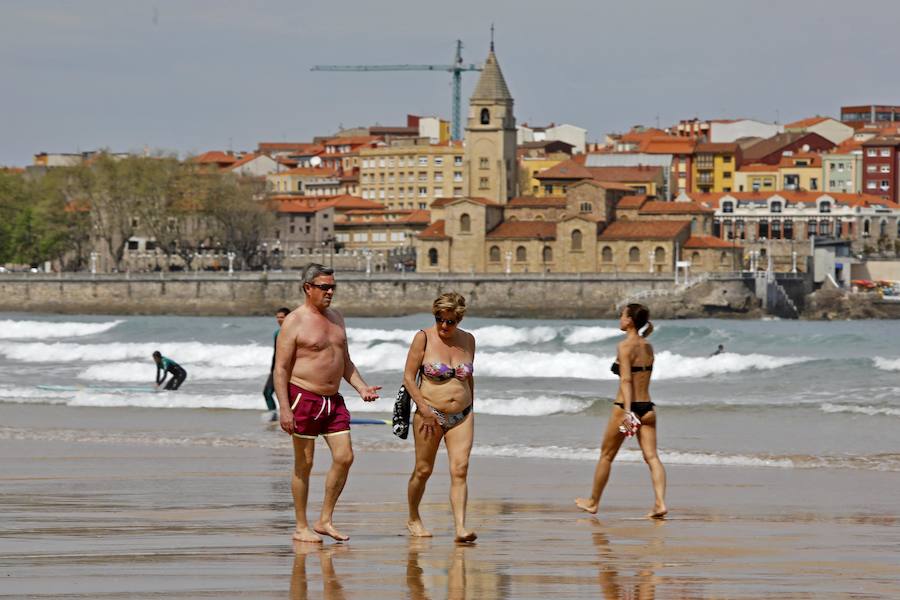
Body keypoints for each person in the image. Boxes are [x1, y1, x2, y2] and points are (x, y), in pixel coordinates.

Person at [273, 263, 381, 543]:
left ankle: (324, 520)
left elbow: (345, 362)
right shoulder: (294, 322)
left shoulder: (336, 317)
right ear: (308, 288)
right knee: (304, 463)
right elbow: (281, 369)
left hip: (333, 400)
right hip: (303, 397)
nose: (330, 292)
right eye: (324, 287)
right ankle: (301, 526)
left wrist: (361, 387)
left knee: (345, 457)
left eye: (333, 286)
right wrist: (284, 408)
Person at [576, 303, 667, 519]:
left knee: (606, 455)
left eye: (622, 315)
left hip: (627, 410)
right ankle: (660, 503)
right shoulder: (648, 347)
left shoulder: (624, 347)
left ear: (630, 321)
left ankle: (593, 502)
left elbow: (626, 379)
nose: (620, 318)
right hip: (648, 409)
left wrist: (627, 412)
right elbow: (638, 375)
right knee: (652, 457)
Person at [403, 292, 477, 543]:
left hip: (463, 416)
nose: (444, 326)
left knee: (460, 469)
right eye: (439, 319)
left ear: (459, 319)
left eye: (450, 321)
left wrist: (471, 405)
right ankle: (413, 517)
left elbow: (468, 378)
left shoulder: (468, 340)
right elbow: (408, 378)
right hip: (429, 414)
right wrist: (423, 409)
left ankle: (460, 528)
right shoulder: (423, 338)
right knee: (423, 470)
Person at [262, 307, 291, 421]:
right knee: (267, 392)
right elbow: (276, 353)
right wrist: (272, 369)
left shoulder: (294, 333)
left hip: (290, 370)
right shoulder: (277, 333)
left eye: (282, 317)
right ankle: (273, 415)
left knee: (289, 396)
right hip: (276, 369)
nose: (279, 319)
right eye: (277, 317)